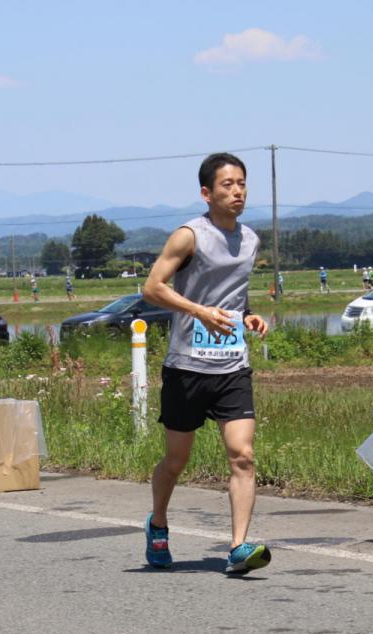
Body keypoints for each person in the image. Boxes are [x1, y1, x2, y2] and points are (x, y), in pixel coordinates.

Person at [141, 153, 270, 574]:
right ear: (206, 193)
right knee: (176, 461)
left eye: (242, 184)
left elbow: (234, 294)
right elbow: (152, 288)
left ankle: (238, 547)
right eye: (227, 185)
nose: (237, 191)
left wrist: (247, 315)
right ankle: (158, 523)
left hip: (233, 365)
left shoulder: (250, 239)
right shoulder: (188, 236)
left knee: (243, 455)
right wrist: (199, 311)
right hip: (186, 366)